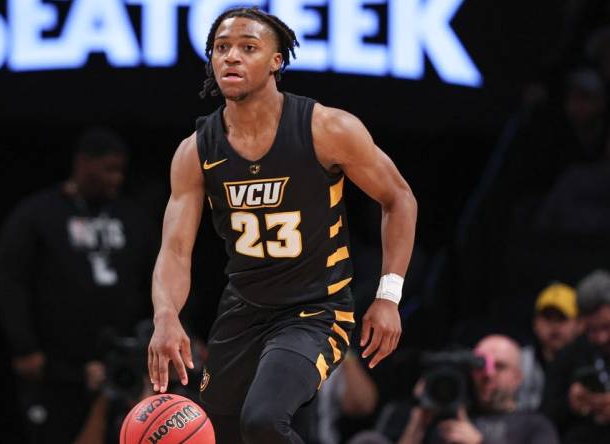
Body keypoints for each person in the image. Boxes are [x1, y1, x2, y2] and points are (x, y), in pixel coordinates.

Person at [147, 7, 417, 443]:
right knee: (216, 433)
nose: (231, 57)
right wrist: (165, 315)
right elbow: (176, 250)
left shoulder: (327, 128)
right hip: (243, 311)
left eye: (248, 48)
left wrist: (389, 295)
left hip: (315, 310)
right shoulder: (195, 151)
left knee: (264, 420)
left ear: (277, 61)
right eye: (221, 48)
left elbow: (399, 198)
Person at [0, 128, 157, 444]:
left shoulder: (132, 216)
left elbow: (159, 274)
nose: (117, 178)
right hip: (58, 366)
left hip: (124, 360)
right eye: (109, 169)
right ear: (83, 163)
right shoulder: (37, 215)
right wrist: (24, 346)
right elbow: (12, 281)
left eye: (121, 170)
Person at [356, 335, 558, 444]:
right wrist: (418, 424)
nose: (488, 374)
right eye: (480, 366)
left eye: (500, 366)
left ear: (518, 378)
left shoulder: (534, 426)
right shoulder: (443, 415)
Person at [541, 269, 610, 443]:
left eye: (608, 327)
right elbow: (544, 419)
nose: (601, 338)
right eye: (592, 330)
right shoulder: (570, 355)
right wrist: (570, 404)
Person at [518, 282, 581, 411]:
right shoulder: (519, 361)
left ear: (579, 324)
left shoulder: (589, 361)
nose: (554, 326)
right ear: (535, 323)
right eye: (547, 318)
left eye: (562, 318)